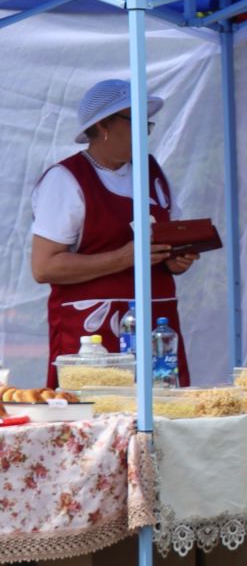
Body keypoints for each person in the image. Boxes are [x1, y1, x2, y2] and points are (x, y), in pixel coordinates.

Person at [29, 79, 199, 385]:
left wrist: (176, 259)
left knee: (165, 407)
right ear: (104, 125)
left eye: (146, 124)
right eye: (135, 122)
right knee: (99, 407)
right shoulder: (66, 179)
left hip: (157, 328)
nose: (144, 132)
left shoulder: (152, 172)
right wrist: (124, 258)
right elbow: (44, 267)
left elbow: (167, 241)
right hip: (92, 334)